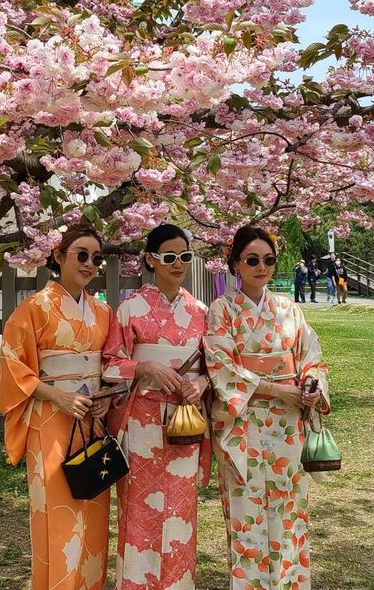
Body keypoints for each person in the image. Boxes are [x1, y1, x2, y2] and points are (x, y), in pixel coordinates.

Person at [204, 225, 330, 590]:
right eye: (252, 260)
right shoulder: (222, 310)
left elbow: (313, 360)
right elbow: (221, 368)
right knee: (247, 519)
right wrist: (280, 391)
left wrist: (310, 386)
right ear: (235, 265)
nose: (262, 267)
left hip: (288, 427)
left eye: (269, 260)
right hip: (242, 425)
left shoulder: (290, 309)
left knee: (290, 515)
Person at [0, 225, 113, 590]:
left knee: (94, 515)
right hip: (50, 421)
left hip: (91, 421)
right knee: (58, 516)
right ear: (58, 256)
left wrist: (105, 399)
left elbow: (110, 365)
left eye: (96, 257)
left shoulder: (103, 311)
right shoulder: (34, 308)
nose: (89, 263)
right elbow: (13, 366)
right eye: (81, 254)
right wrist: (56, 395)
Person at [103, 224, 211, 590]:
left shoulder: (200, 310)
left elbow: (213, 367)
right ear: (151, 259)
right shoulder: (130, 308)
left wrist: (201, 383)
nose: (177, 263)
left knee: (182, 510)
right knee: (138, 510)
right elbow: (110, 363)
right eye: (169, 256)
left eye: (184, 256)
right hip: (141, 422)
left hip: (185, 421)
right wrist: (142, 367)